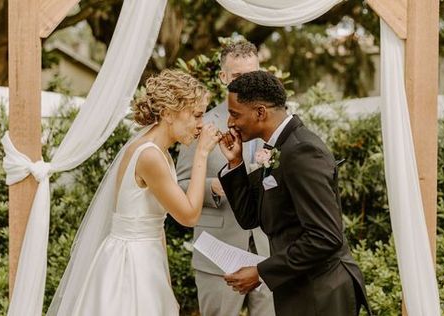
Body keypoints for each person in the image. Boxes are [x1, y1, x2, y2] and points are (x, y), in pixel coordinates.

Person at [47, 69, 221, 316]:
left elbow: (156, 226)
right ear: (169, 113)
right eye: (196, 115)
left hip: (147, 261)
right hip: (129, 267)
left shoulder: (160, 153)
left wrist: (165, 285)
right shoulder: (149, 156)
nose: (201, 125)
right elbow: (189, 215)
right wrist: (202, 154)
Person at [218, 70, 370, 316]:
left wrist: (261, 272)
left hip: (322, 292)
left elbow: (325, 236)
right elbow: (250, 217)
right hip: (300, 287)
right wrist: (236, 164)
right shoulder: (278, 148)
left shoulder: (302, 151)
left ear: (260, 112)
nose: (229, 123)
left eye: (235, 114)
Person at [176, 41, 274, 316]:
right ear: (223, 78)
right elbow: (180, 185)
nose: (247, 84)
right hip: (219, 253)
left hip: (269, 251)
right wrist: (216, 187)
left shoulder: (274, 121)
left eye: (253, 75)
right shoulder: (200, 125)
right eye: (237, 78)